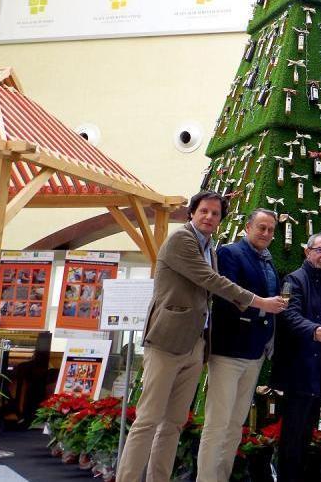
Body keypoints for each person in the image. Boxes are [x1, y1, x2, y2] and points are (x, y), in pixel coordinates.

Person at [116, 191, 287, 482]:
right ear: (192, 213)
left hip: (196, 343)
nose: (209, 217)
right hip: (167, 341)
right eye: (204, 211)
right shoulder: (182, 239)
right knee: (148, 420)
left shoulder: (210, 248)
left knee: (173, 423)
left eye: (215, 213)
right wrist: (260, 302)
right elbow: (211, 281)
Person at [197, 208, 282, 482]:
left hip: (255, 351)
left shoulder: (269, 262)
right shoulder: (230, 253)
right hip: (229, 349)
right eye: (261, 227)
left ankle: (221, 477)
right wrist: (262, 309)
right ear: (248, 227)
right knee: (217, 423)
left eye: (271, 229)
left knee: (235, 424)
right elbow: (226, 298)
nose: (266, 233)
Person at [270, 231, 321, 482]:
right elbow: (288, 314)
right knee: (292, 435)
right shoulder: (293, 280)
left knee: (306, 435)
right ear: (307, 251)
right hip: (298, 371)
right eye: (319, 250)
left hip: (319, 373)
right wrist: (313, 330)